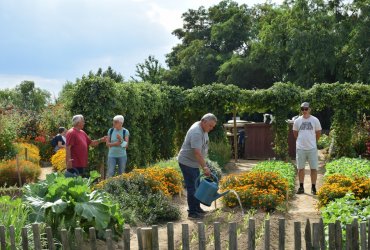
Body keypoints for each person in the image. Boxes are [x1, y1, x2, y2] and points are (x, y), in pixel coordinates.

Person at [178, 113, 217, 219]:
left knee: (197, 186)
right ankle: (192, 212)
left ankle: (197, 208)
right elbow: (197, 153)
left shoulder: (203, 128)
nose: (211, 128)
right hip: (187, 162)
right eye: (210, 126)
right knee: (192, 187)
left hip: (194, 162)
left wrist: (203, 164)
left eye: (213, 126)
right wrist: (205, 167)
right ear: (203, 122)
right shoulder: (196, 132)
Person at [293, 102, 322, 195]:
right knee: (300, 169)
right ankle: (301, 187)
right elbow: (295, 133)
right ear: (301, 110)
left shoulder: (315, 120)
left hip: (312, 148)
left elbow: (318, 133)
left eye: (306, 109)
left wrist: (313, 141)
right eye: (302, 109)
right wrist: (301, 142)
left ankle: (313, 188)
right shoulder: (297, 121)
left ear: (309, 109)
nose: (304, 111)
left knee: (313, 169)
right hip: (300, 148)